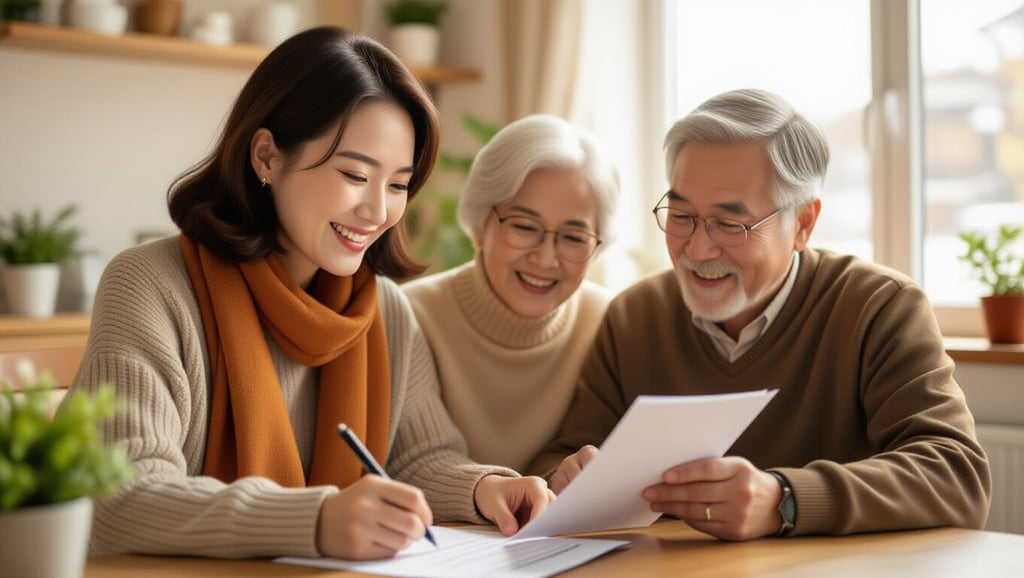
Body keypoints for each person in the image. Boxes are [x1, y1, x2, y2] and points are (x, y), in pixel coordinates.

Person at [67, 26, 553, 561]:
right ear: (267, 157)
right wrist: (314, 521)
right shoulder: (149, 286)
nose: (378, 212)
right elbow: (117, 496)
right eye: (355, 174)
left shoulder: (385, 310)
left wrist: (484, 489)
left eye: (397, 185)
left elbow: (417, 460)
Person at [529, 88, 991, 539]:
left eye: (730, 224)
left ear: (803, 223)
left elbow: (957, 476)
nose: (697, 249)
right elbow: (561, 458)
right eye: (682, 215)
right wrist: (567, 476)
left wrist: (783, 500)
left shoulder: (879, 308)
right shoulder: (635, 317)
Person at [402, 114, 621, 471]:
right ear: (479, 225)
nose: (545, 258)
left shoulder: (610, 323)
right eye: (524, 226)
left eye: (573, 237)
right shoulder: (411, 315)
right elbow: (409, 465)